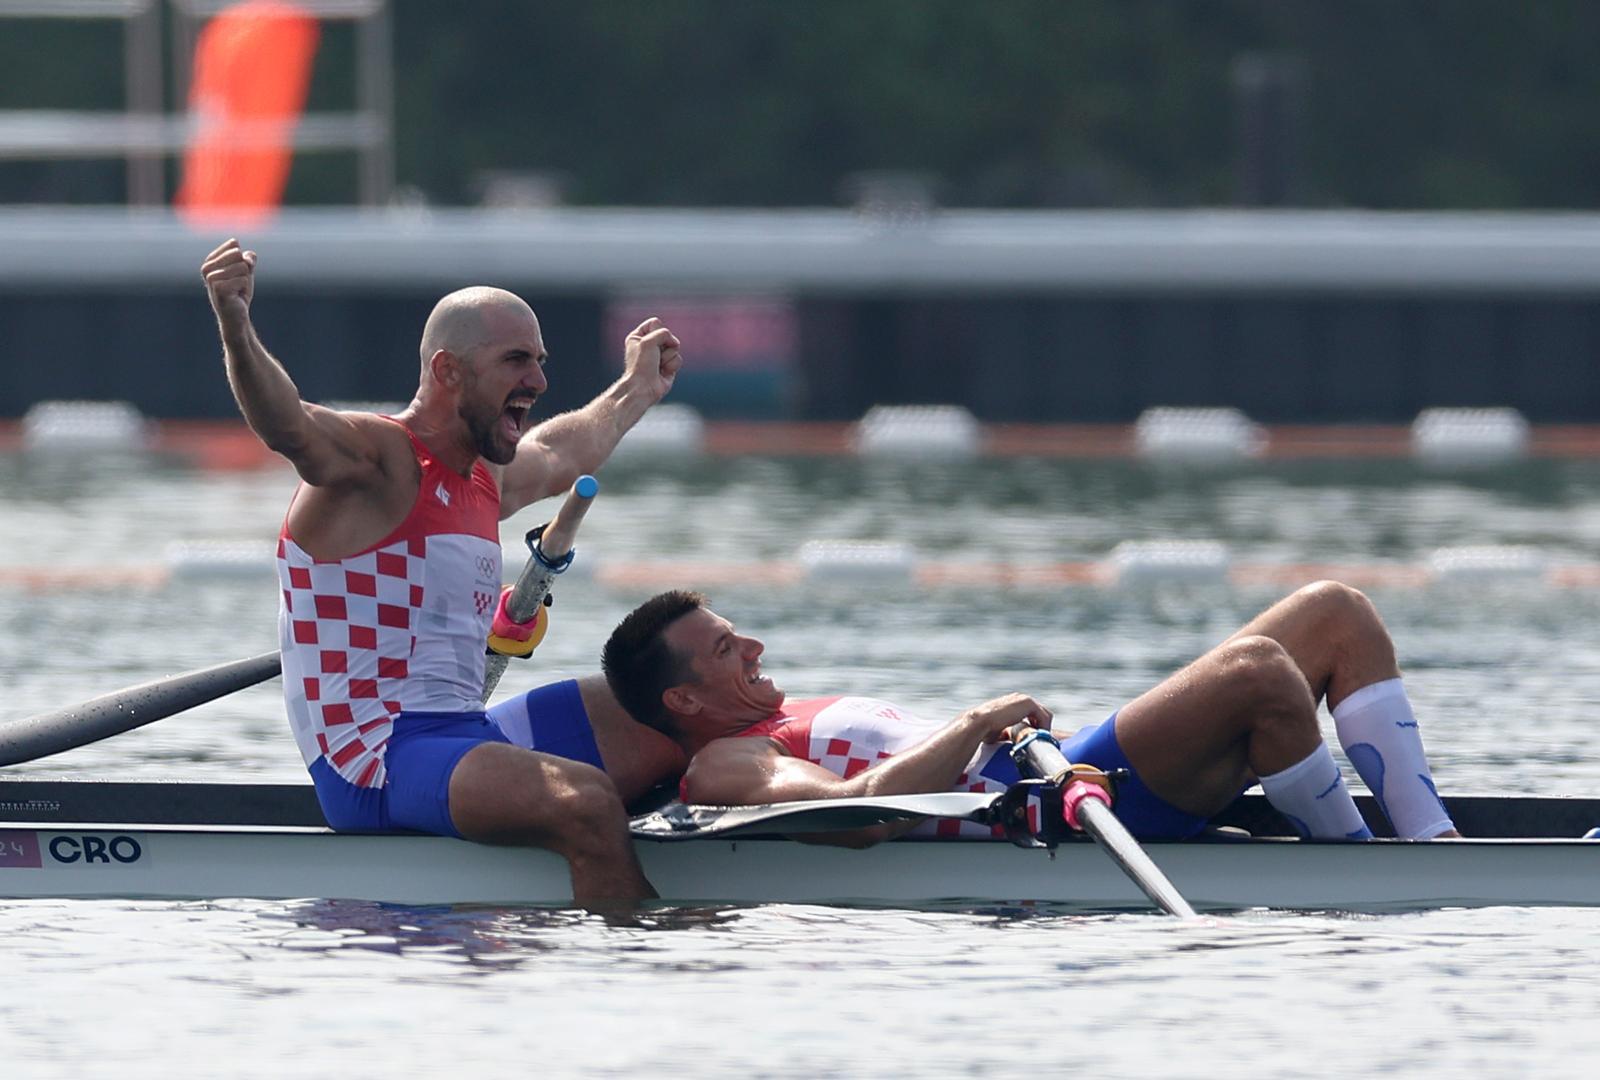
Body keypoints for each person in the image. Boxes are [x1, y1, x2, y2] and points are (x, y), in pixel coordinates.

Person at [201, 238, 686, 905]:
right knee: (585, 800)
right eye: (516, 361)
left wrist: (637, 388)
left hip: (460, 731)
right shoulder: (375, 463)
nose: (539, 382)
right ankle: (633, 947)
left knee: (669, 700)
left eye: (540, 362)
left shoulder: (485, 478)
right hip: (376, 759)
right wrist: (236, 326)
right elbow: (289, 426)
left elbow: (568, 449)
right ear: (448, 372)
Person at [600, 581, 1460, 845]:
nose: (751, 644)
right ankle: (1364, 866)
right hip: (1060, 814)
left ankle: (1431, 846)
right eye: (724, 650)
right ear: (684, 702)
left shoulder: (772, 715)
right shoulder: (724, 764)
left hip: (1071, 769)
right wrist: (978, 721)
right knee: (1260, 671)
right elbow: (852, 819)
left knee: (1336, 611)